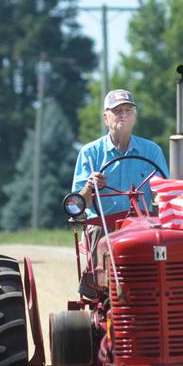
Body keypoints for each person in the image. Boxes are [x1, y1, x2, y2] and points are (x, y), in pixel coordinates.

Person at [71, 89, 168, 295]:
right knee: (98, 229)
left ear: (135, 116)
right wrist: (90, 186)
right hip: (104, 221)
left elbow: (163, 192)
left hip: (142, 222)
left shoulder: (152, 151)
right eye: (117, 111)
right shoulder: (90, 153)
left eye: (128, 110)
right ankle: (95, 286)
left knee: (165, 238)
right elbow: (80, 204)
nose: (123, 114)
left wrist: (162, 201)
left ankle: (165, 285)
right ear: (106, 118)